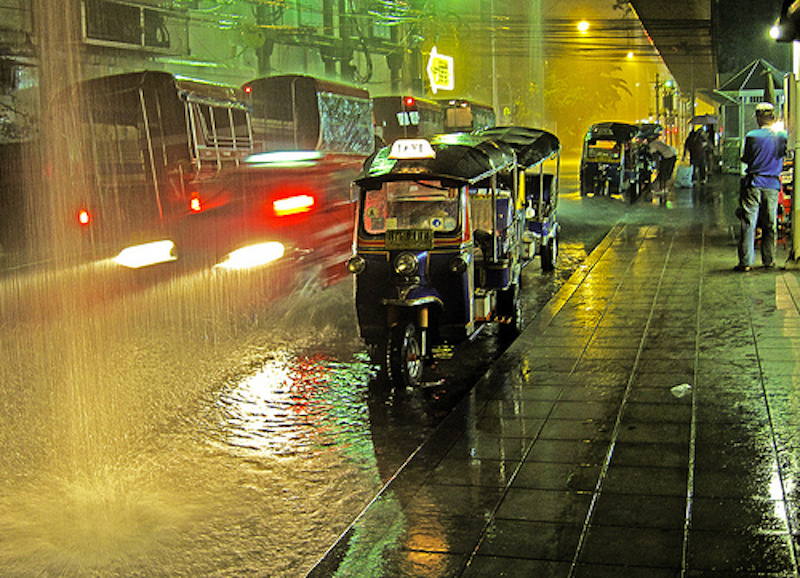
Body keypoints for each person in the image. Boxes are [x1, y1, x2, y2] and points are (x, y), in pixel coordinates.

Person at [735, 102, 788, 272]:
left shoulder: (752, 136)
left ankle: (745, 262)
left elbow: (746, 158)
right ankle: (769, 260)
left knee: (749, 223)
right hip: (772, 184)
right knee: (770, 223)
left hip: (753, 182)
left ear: (758, 118)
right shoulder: (782, 136)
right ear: (773, 117)